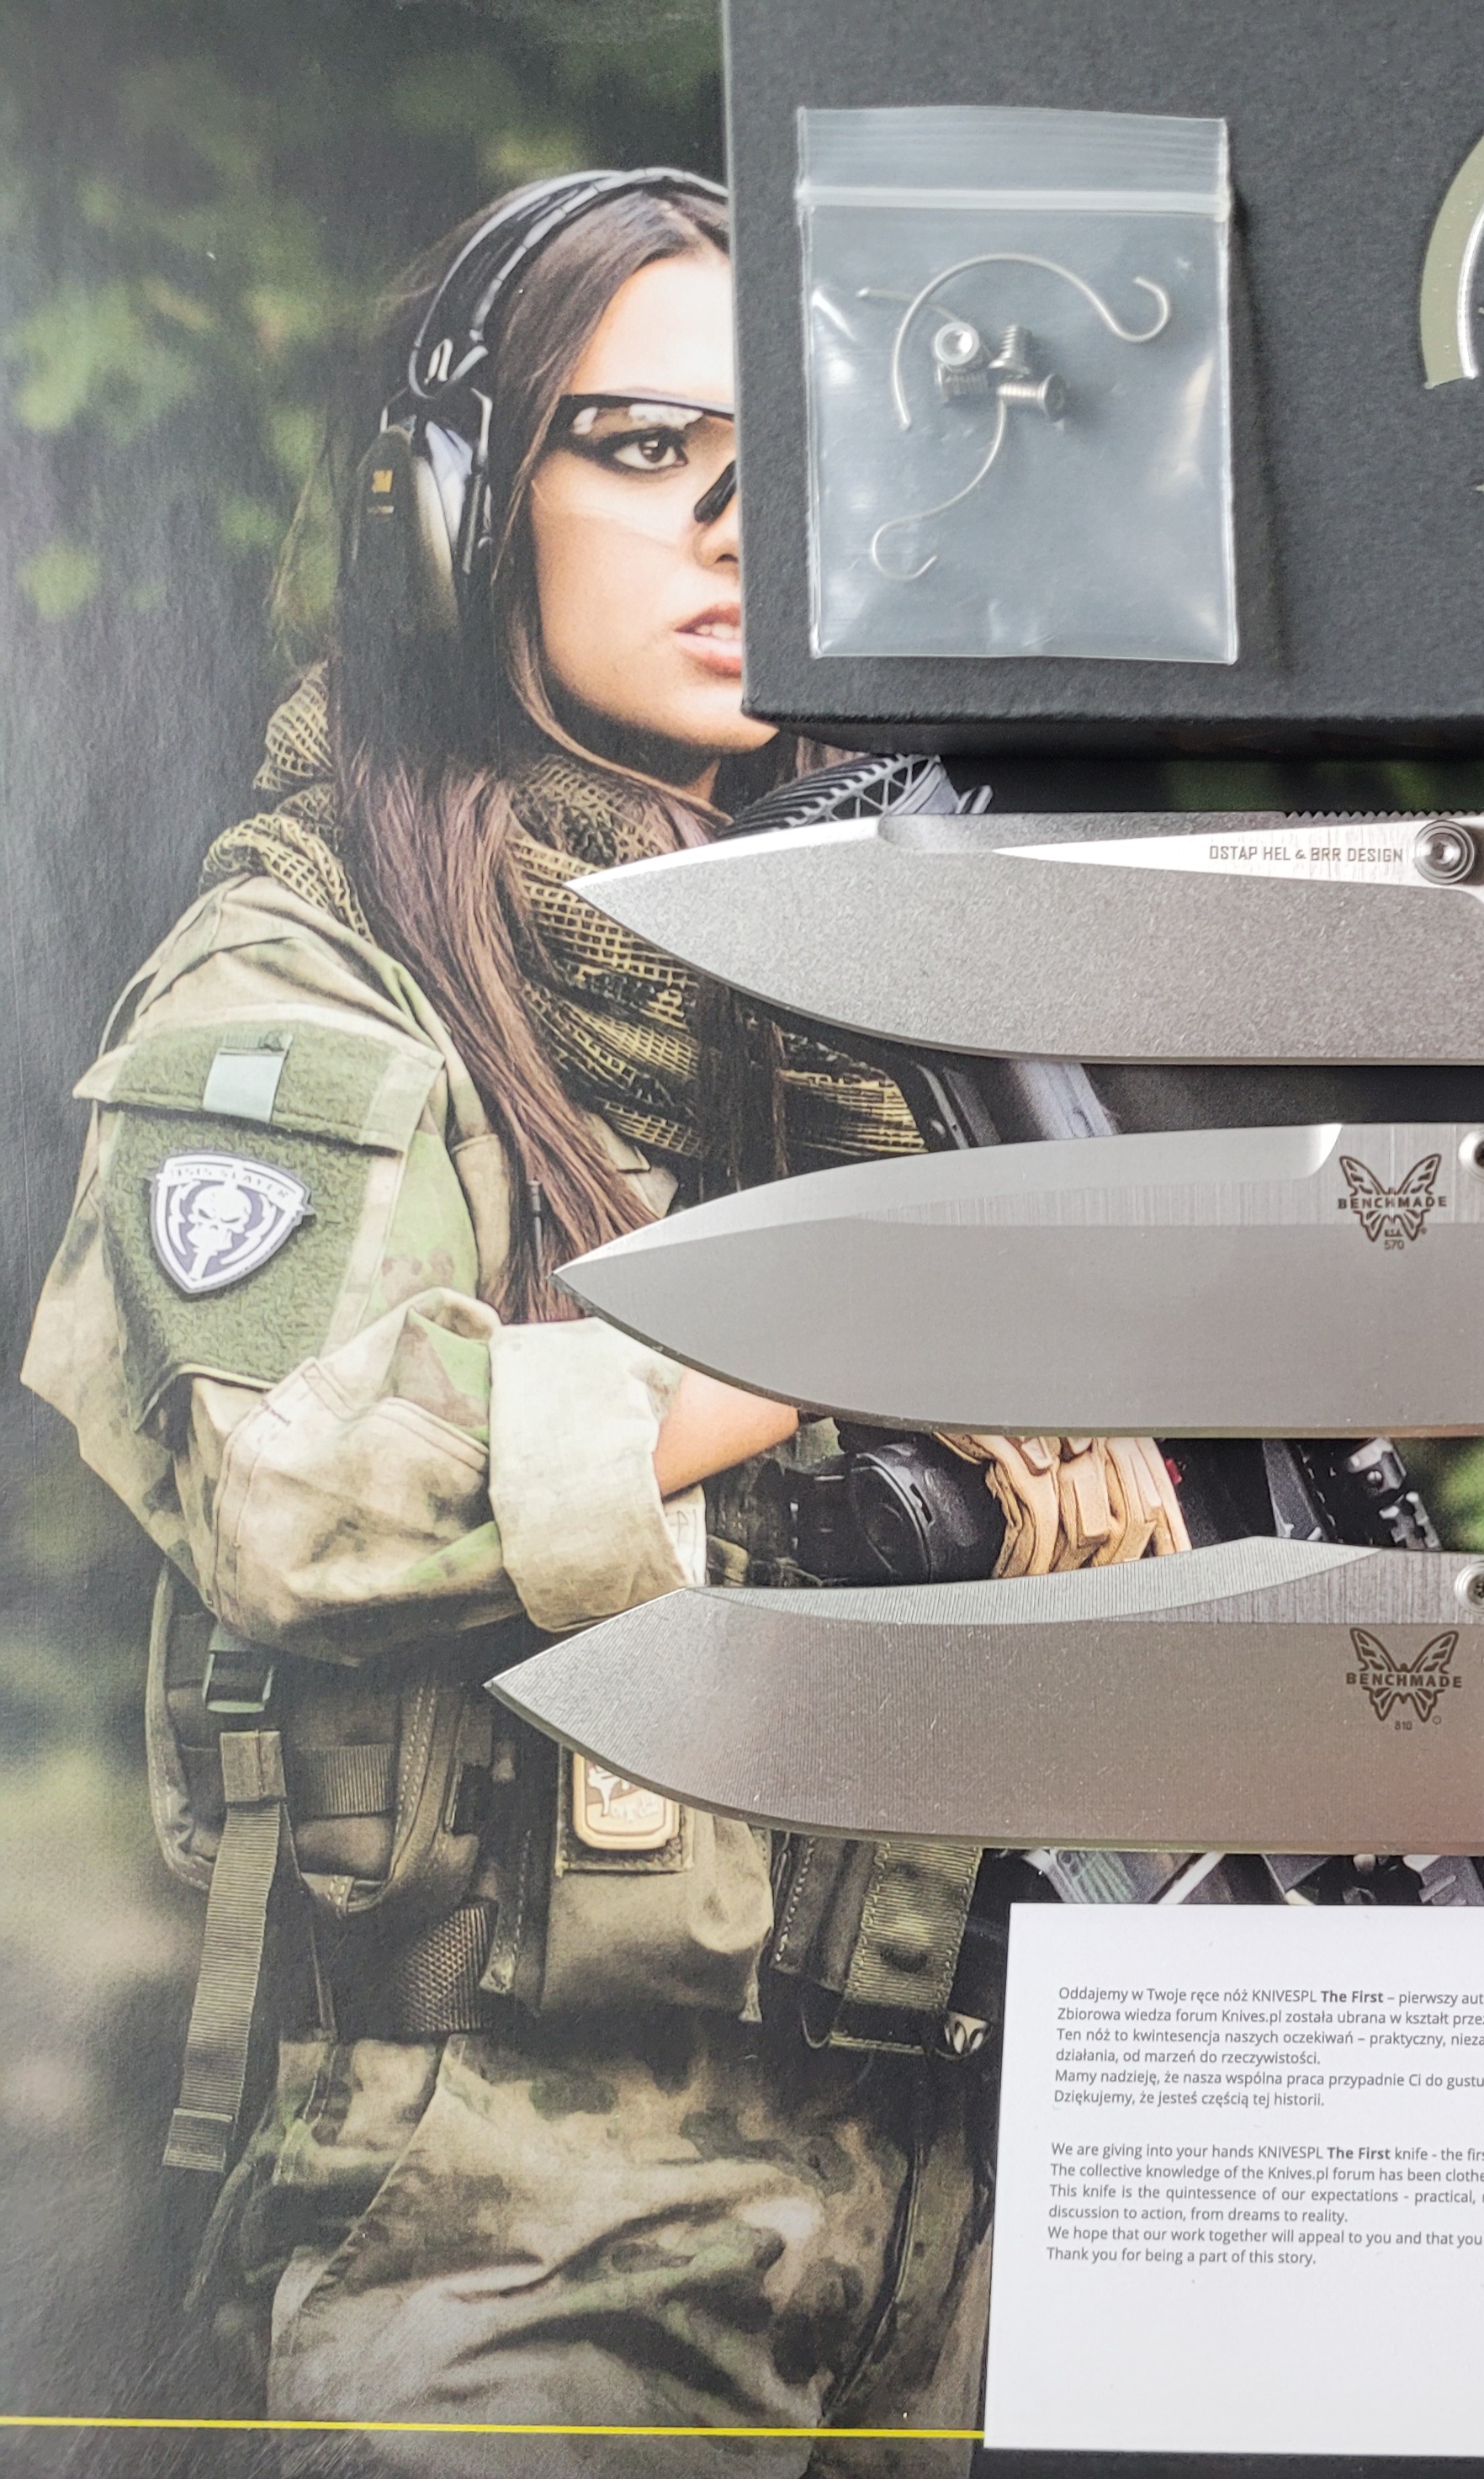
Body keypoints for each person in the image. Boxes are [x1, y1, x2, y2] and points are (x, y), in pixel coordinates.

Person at [20, 171, 1042, 2477]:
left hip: (974, 2190)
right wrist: (866, 1311)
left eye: (799, 467)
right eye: (651, 447)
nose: (741, 532)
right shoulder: (300, 987)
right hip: (515, 2222)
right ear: (452, 517)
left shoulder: (914, 1009)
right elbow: (307, 1485)